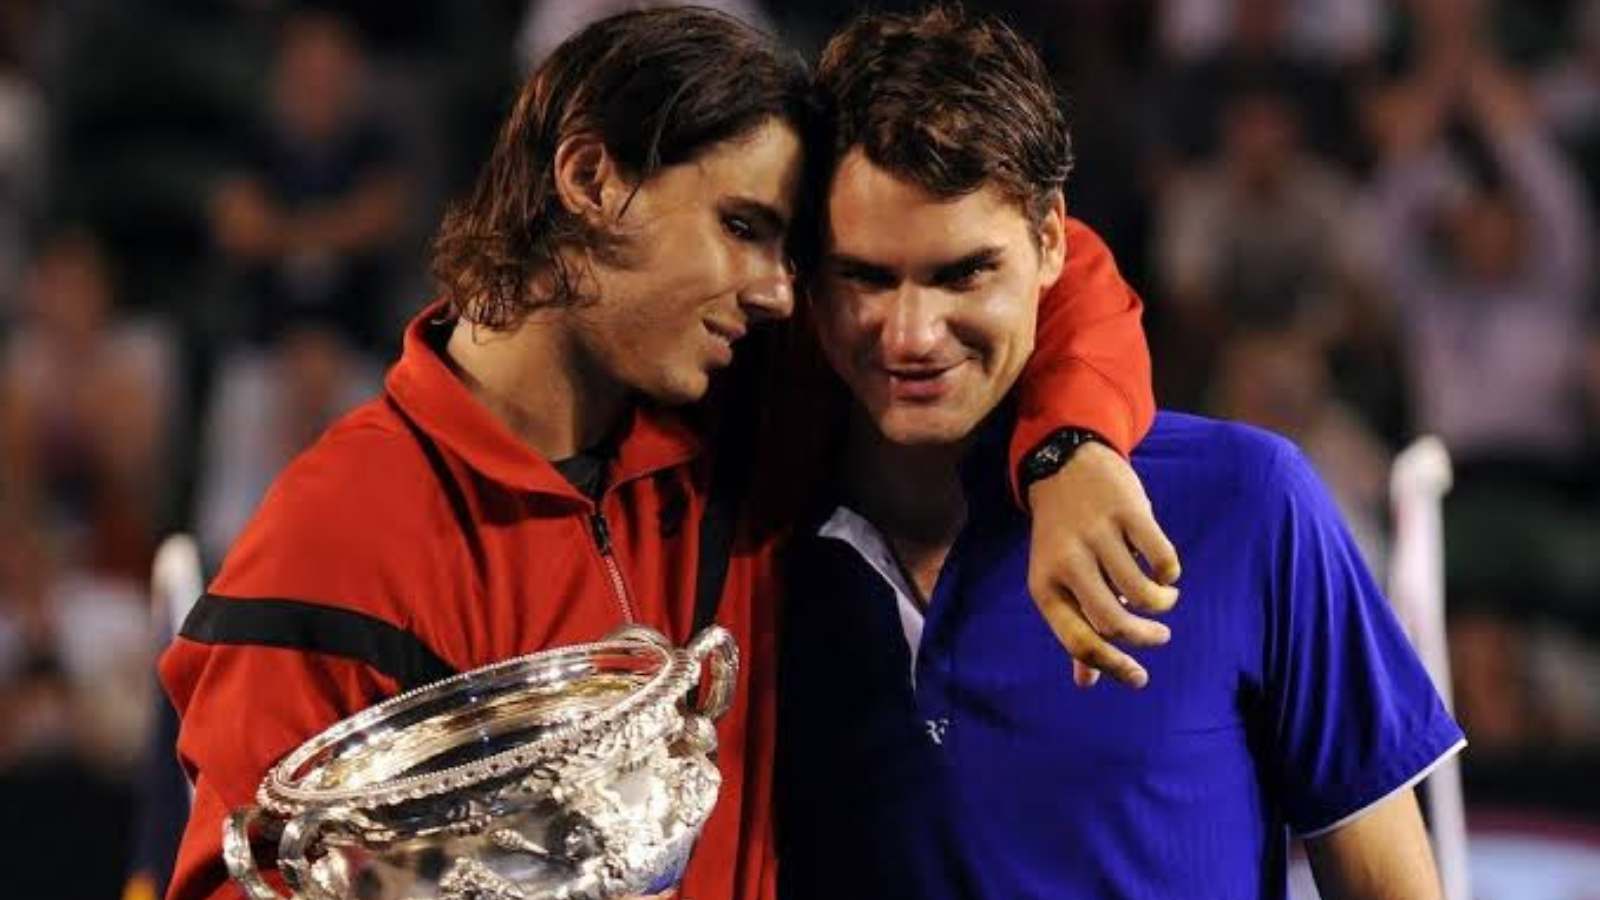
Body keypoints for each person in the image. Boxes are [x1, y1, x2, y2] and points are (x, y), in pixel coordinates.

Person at [160, 8, 1180, 900]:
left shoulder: (739, 404)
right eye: (743, 227)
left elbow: (1048, 262)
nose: (781, 291)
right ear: (591, 177)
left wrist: (1071, 452)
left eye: (791, 251)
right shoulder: (334, 539)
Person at [777, 9, 1464, 899]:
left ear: (1054, 240)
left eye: (964, 274)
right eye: (864, 277)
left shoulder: (1250, 503)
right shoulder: (740, 521)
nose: (910, 334)